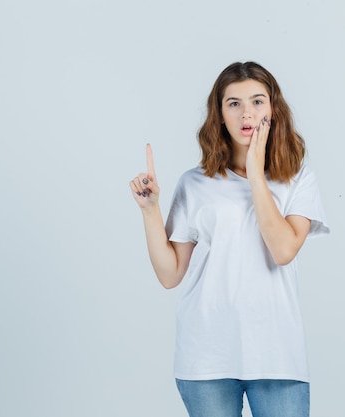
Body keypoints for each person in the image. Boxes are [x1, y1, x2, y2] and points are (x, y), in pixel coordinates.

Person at [129, 61, 330, 417]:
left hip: (277, 357)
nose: (246, 113)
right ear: (220, 115)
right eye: (233, 103)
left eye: (257, 101)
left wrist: (255, 172)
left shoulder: (297, 178)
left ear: (273, 109)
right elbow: (170, 274)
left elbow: (283, 250)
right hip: (207, 358)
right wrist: (150, 210)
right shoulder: (195, 182)